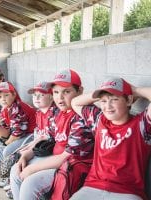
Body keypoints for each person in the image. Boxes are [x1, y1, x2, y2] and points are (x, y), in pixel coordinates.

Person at [70, 77, 151, 200]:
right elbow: (75, 102)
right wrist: (102, 91)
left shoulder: (141, 125)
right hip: (93, 186)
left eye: (114, 99)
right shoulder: (99, 120)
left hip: (127, 192)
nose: (107, 106)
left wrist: (134, 90)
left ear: (129, 100)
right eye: (103, 101)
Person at [10, 69, 94, 200]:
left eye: (66, 92)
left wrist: (33, 169)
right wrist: (26, 154)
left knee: (30, 183)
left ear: (80, 91)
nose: (60, 98)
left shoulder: (82, 116)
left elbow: (66, 157)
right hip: (55, 159)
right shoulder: (58, 113)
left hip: (72, 166)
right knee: (16, 170)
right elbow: (47, 137)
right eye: (56, 92)